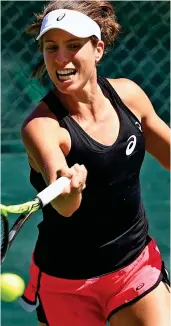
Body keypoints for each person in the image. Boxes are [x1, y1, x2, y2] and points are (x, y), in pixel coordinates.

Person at [19, 1, 170, 325]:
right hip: (66, 282)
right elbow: (65, 206)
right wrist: (71, 186)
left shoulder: (129, 96)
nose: (61, 58)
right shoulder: (42, 128)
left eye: (73, 46)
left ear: (98, 49)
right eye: (51, 48)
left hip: (135, 267)